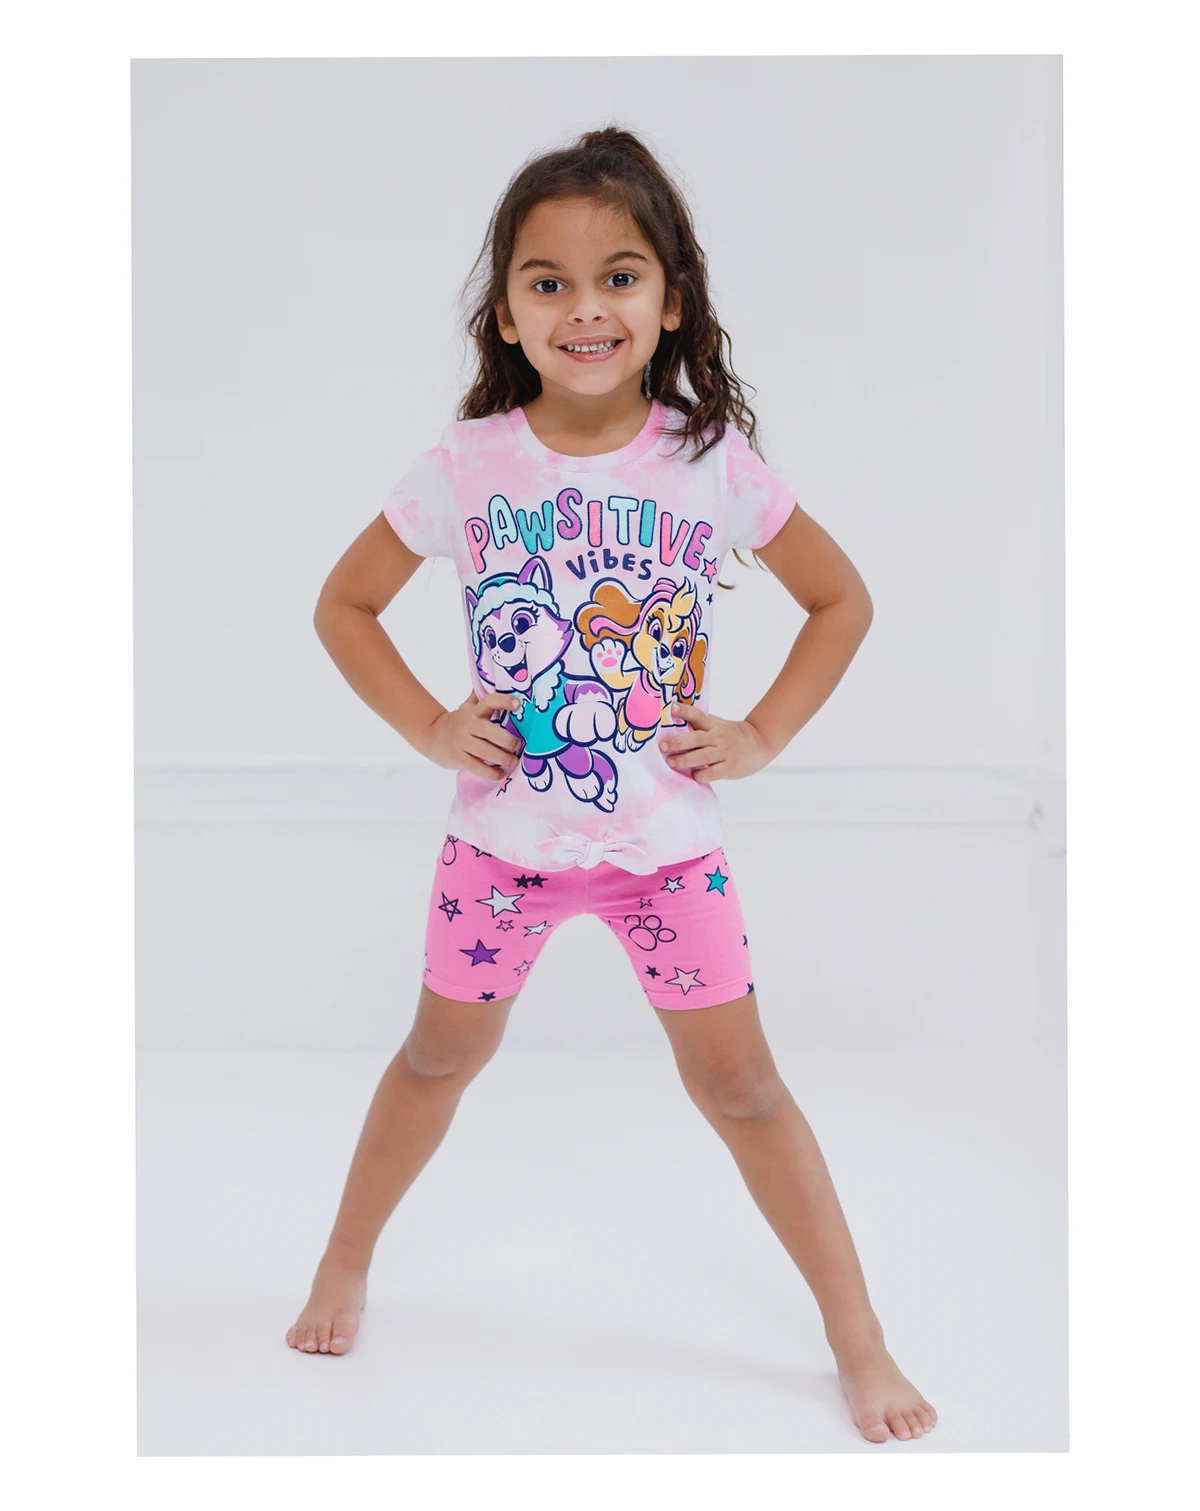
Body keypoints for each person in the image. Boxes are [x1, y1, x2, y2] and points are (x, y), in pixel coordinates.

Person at [286, 124, 937, 1446]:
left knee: (744, 1091)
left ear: (671, 300)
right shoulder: (467, 464)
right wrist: (431, 725)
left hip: (668, 853)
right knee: (436, 1058)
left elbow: (842, 600)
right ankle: (343, 1264)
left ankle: (857, 1336)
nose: (586, 307)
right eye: (550, 282)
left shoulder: (710, 462)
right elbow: (344, 606)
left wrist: (760, 735)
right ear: (507, 312)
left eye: (620, 276)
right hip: (500, 851)